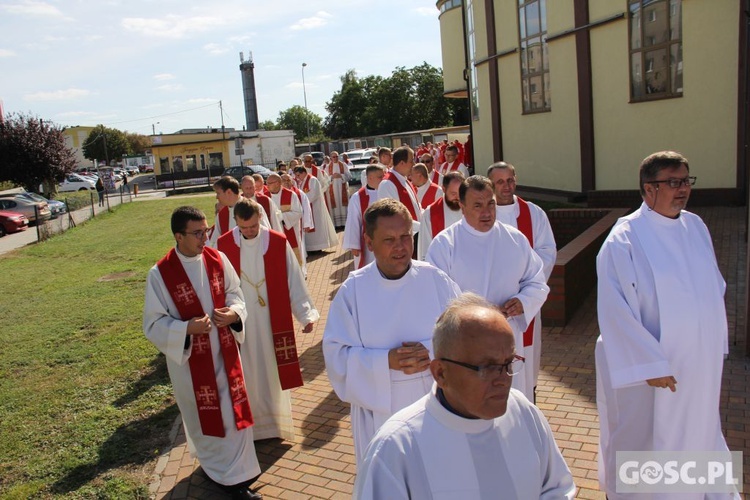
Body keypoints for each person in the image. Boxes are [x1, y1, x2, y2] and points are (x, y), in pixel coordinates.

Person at [595, 151, 738, 499]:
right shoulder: (625, 238)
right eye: (674, 182)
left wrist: (712, 340)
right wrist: (649, 363)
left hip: (697, 363)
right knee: (646, 441)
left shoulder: (696, 226)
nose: (684, 189)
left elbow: (712, 287)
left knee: (701, 429)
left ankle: (700, 491)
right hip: (652, 372)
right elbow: (615, 310)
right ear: (649, 188)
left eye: (687, 180)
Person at [354, 293, 576, 499]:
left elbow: (557, 487)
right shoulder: (395, 449)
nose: (503, 379)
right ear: (440, 373)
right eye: (486, 367)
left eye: (508, 363)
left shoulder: (524, 413)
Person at [323, 198, 461, 464]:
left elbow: (464, 337)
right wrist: (386, 361)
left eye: (406, 236)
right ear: (369, 242)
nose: (400, 246)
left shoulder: (436, 280)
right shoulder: (353, 291)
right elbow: (336, 356)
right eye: (389, 239)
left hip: (436, 408)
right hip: (380, 415)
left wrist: (431, 352)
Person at [143, 206, 261, 500]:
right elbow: (153, 323)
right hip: (192, 365)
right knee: (207, 418)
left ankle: (238, 475)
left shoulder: (217, 258)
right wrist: (185, 329)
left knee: (233, 414)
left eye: (206, 231)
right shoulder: (160, 274)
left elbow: (236, 293)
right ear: (178, 236)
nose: (205, 238)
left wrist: (233, 313)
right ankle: (219, 470)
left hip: (226, 353)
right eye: (197, 233)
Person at [426, 175, 549, 402]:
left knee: (510, 404)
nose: (487, 212)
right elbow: (434, 295)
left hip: (507, 339)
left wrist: (523, 301)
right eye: (478, 205)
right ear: (462, 208)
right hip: (465, 344)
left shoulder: (515, 239)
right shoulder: (445, 244)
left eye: (490, 203)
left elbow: (536, 281)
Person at [217, 199, 319, 441]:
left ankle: (276, 423)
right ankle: (250, 427)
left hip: (272, 319)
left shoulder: (275, 242)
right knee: (247, 370)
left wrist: (305, 315)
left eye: (254, 226)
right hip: (241, 323)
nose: (250, 232)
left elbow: (293, 279)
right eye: (245, 228)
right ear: (236, 223)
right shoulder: (223, 245)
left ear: (260, 218)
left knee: (272, 370)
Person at [488, 162, 556, 398]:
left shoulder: (533, 214)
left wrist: (525, 291)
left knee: (526, 360)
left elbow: (547, 252)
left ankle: (528, 399)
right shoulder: (484, 213)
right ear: (491, 185)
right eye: (500, 182)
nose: (506, 186)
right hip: (492, 301)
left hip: (524, 301)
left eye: (510, 180)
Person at [342, 164, 385, 269]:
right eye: (380, 177)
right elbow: (353, 221)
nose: (383, 179)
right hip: (367, 243)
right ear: (370, 178)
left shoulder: (386, 191)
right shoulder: (358, 197)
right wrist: (354, 245)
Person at [416, 171, 464, 261]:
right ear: (444, 189)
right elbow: (425, 249)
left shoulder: (470, 208)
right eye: (453, 194)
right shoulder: (430, 214)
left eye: (460, 193)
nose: (458, 198)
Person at [377, 145, 421, 234]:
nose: (414, 164)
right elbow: (393, 218)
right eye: (411, 161)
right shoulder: (387, 184)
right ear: (401, 163)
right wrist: (423, 227)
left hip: (415, 234)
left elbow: (417, 208)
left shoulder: (405, 180)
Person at [294, 166, 338, 252]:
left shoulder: (312, 180)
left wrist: (301, 200)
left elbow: (314, 194)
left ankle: (318, 247)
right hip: (309, 208)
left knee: (317, 227)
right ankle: (311, 247)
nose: (297, 177)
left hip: (315, 208)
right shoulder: (303, 181)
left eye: (298, 175)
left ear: (303, 173)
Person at [265, 173, 304, 267]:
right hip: (272, 231)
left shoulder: (291, 195)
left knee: (292, 254)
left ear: (278, 183)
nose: (267, 185)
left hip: (290, 231)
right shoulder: (264, 197)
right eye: (267, 183)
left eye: (270, 183)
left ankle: (297, 274)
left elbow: (298, 212)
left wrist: (281, 216)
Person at [208, 176, 256, 248]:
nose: (217, 197)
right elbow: (215, 242)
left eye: (218, 193)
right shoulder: (221, 215)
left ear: (229, 192)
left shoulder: (253, 208)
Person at [325, 151, 352, 227]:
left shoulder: (343, 165)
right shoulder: (327, 167)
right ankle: (336, 225)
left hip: (342, 189)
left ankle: (345, 223)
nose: (335, 158)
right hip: (332, 190)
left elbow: (349, 176)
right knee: (335, 206)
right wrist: (332, 177)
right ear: (331, 158)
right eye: (334, 157)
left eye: (337, 156)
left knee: (343, 206)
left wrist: (341, 176)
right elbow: (325, 179)